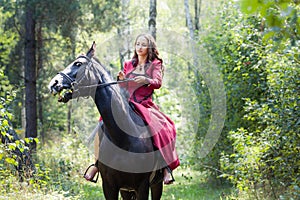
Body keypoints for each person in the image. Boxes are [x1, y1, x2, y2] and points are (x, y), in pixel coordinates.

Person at [84, 33, 180, 184]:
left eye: (143, 44)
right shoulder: (129, 63)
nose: (140, 47)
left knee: (164, 127)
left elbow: (158, 83)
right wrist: (121, 80)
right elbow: (123, 87)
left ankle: (165, 167)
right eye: (137, 44)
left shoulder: (155, 63)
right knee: (102, 124)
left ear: (149, 47)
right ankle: (96, 164)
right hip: (126, 103)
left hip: (144, 104)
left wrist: (146, 80)